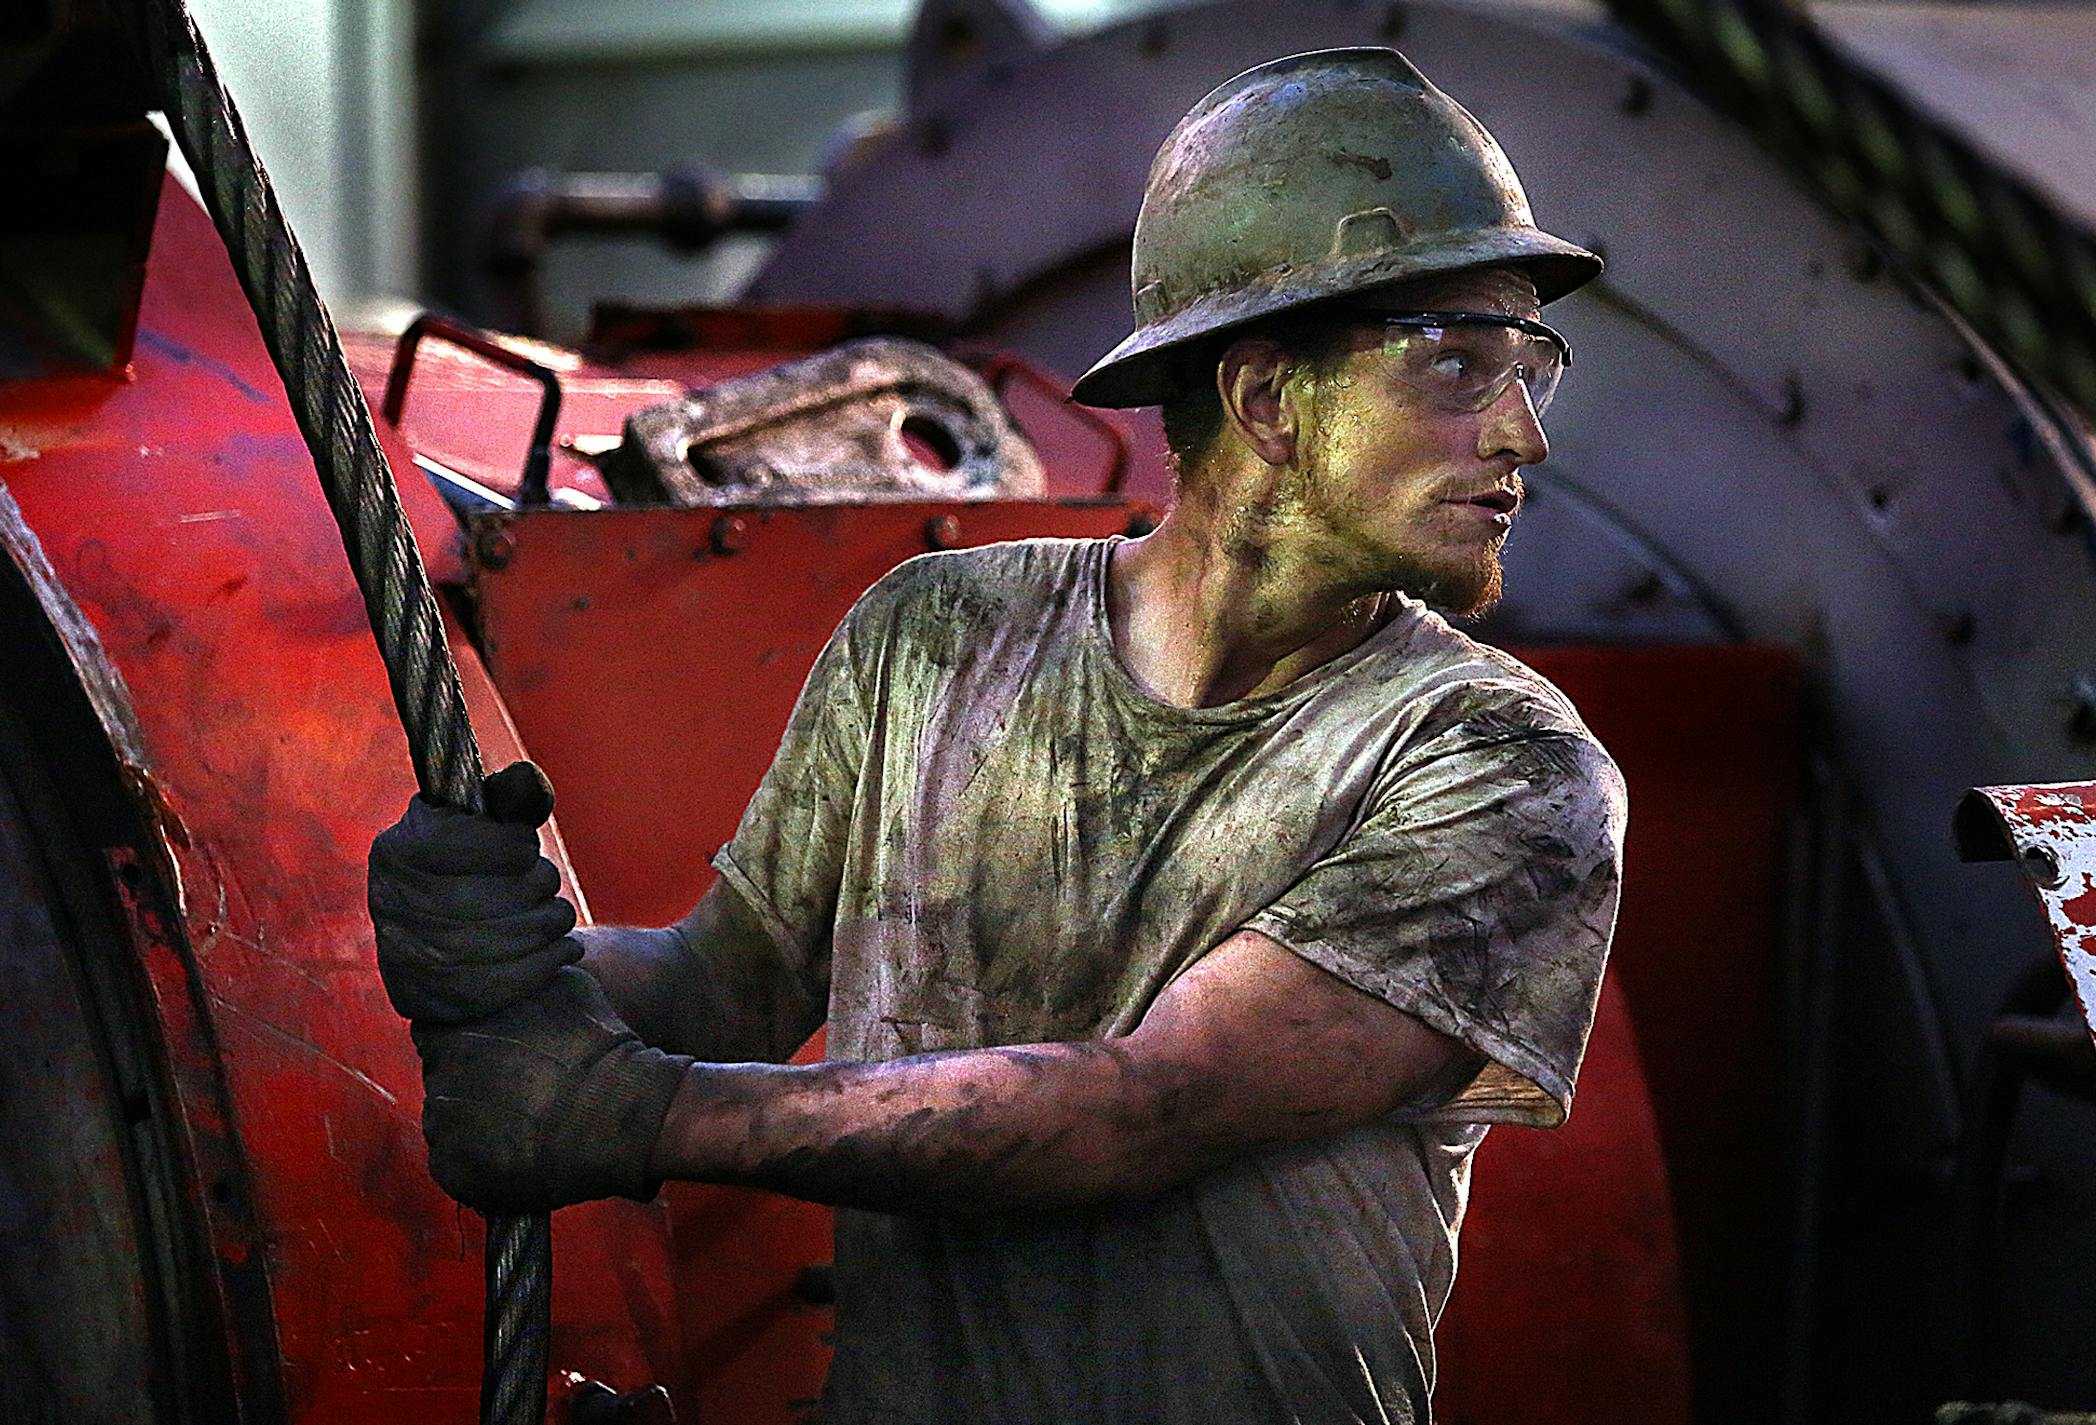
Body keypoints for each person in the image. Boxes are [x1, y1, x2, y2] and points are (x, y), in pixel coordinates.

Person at [368, 47, 1627, 1425]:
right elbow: (722, 985)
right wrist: (525, 967)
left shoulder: (1500, 767)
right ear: (1267, 398)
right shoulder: (937, 632)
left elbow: (1148, 1107)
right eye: (1459, 364)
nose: (1524, 435)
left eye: (1530, 367)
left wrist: (636, 1112)